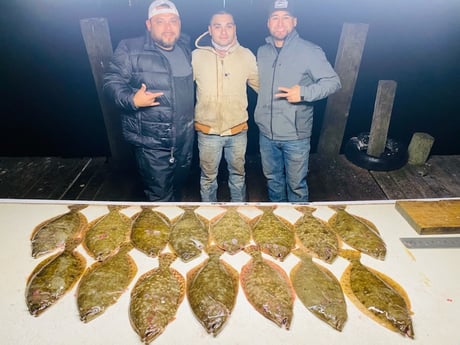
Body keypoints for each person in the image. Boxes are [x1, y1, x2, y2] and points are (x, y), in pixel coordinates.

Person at [103, 1, 194, 201]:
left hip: (185, 140)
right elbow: (111, 81)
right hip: (153, 143)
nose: (168, 27)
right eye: (160, 21)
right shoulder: (130, 48)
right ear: (148, 24)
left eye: (173, 21)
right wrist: (132, 99)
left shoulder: (185, 48)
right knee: (160, 197)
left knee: (178, 188)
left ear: (180, 23)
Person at [254, 0, 341, 202]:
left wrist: (303, 93)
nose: (280, 23)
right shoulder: (262, 52)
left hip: (296, 136)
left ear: (294, 21)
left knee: (296, 186)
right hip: (266, 133)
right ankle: (279, 222)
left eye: (286, 17)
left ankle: (300, 227)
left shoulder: (310, 50)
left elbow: (333, 82)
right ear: (268, 23)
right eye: (275, 18)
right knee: (273, 180)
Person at [192, 10, 259, 202]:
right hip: (207, 131)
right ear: (209, 30)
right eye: (218, 26)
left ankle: (238, 216)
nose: (223, 31)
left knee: (238, 175)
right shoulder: (196, 56)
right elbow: (179, 87)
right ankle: (208, 218)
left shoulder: (246, 55)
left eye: (228, 25)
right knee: (208, 178)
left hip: (238, 130)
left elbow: (262, 87)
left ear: (234, 29)